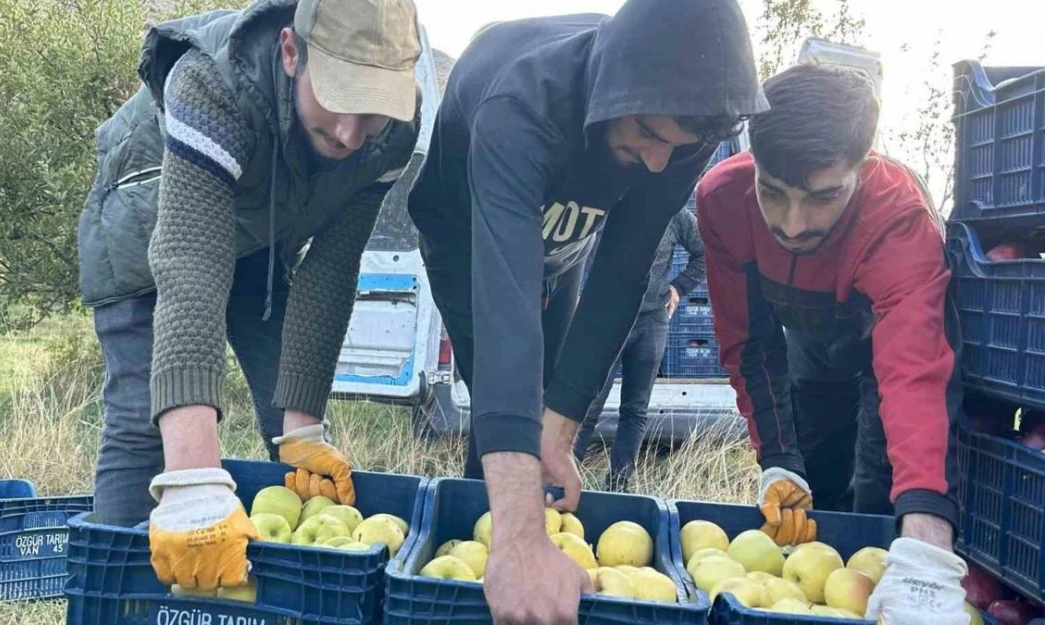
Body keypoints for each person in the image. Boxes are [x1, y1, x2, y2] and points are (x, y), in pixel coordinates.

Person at [405, 0, 767, 622]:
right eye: (649, 135)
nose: (659, 162)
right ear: (612, 93)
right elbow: (505, 311)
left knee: (548, 404)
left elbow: (622, 273)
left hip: (561, 242)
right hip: (467, 240)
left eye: (676, 147)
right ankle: (490, 553)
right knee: (504, 395)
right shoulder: (521, 106)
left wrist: (561, 431)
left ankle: (511, 534)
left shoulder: (678, 127)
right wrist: (520, 537)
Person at [75, 0, 422, 592]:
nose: (348, 134)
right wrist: (192, 478)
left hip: (256, 237)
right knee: (141, 416)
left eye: (372, 113)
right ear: (292, 52)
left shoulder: (388, 138)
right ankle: (121, 596)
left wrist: (303, 428)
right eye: (338, 99)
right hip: (149, 218)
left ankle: (273, 588)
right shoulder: (212, 82)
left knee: (283, 413)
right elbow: (192, 261)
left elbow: (331, 271)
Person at [696, 64, 969, 624]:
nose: (792, 225)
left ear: (862, 169)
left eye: (821, 198)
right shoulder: (722, 199)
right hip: (812, 344)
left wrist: (926, 543)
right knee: (809, 489)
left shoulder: (899, 221)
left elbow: (913, 375)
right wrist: (776, 457)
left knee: (881, 494)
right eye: (772, 193)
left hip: (883, 350)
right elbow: (748, 341)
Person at [573, 208, 706, 492]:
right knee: (587, 404)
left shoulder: (674, 213)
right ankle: (562, 478)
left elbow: (706, 252)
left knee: (635, 409)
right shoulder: (606, 200)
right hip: (605, 319)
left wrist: (679, 287)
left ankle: (619, 486)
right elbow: (573, 247)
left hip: (651, 322)